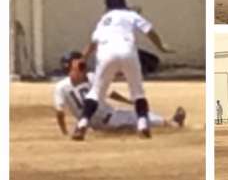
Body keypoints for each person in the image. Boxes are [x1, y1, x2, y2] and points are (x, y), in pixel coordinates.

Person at [72, 0, 173, 141]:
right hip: (128, 52)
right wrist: (161, 47)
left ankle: (82, 124)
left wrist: (82, 59)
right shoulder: (131, 15)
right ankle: (142, 125)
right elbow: (149, 30)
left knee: (95, 93)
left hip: (106, 53)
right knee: (137, 92)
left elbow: (93, 43)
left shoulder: (104, 20)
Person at [55, 52, 186, 135]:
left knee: (128, 124)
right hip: (110, 118)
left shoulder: (60, 87)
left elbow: (60, 112)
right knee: (142, 116)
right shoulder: (92, 77)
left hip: (93, 126)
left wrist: (64, 132)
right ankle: (172, 123)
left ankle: (124, 130)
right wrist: (130, 101)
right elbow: (110, 93)